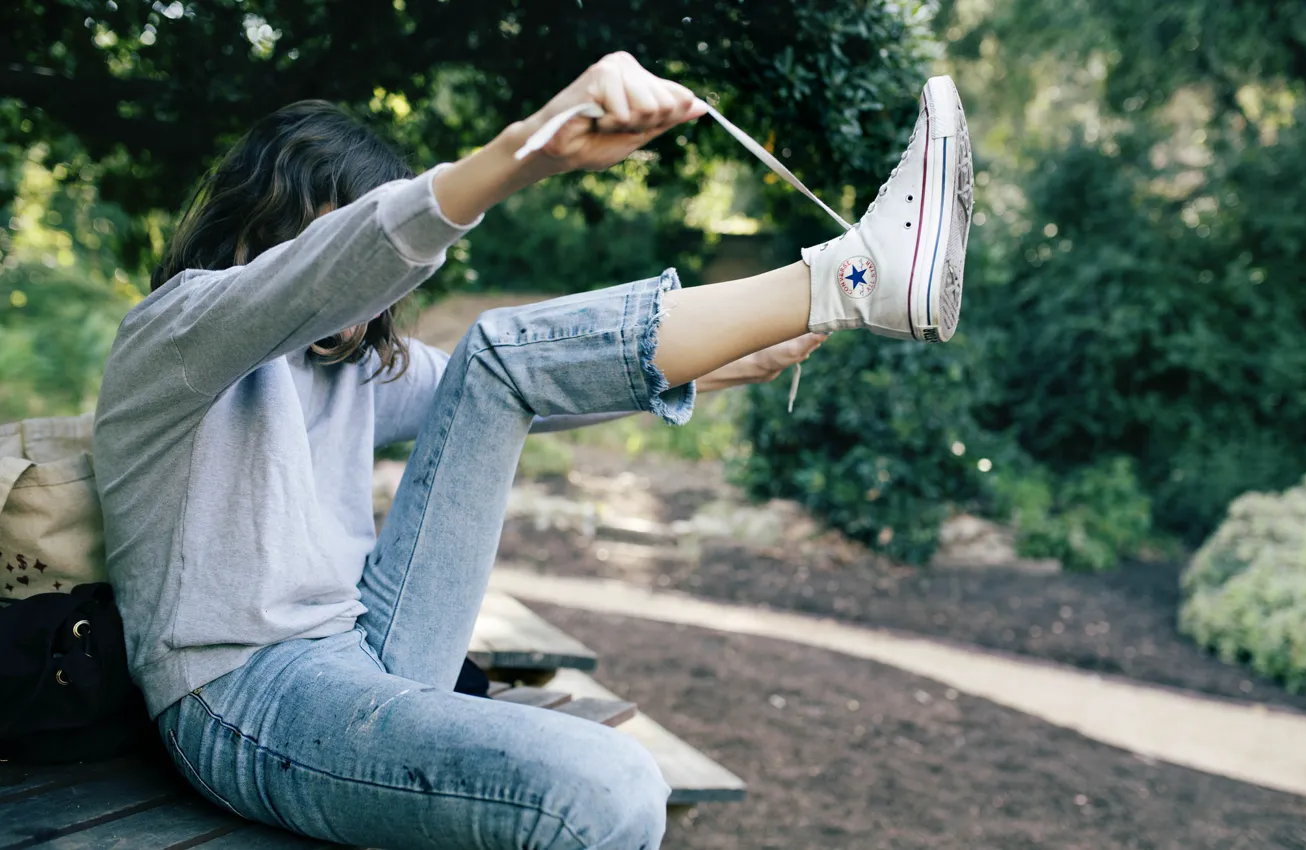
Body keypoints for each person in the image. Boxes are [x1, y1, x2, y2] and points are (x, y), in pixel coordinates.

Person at [93, 52, 972, 850]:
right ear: (272, 223)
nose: (364, 305)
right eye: (341, 246)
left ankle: (849, 286)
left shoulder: (345, 371)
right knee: (613, 785)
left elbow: (535, 384)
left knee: (497, 360)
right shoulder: (175, 336)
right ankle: (859, 274)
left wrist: (739, 363)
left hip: (363, 648)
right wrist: (527, 152)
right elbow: (332, 271)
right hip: (241, 699)